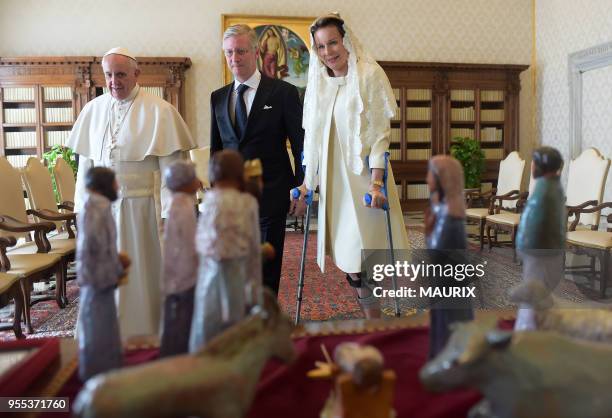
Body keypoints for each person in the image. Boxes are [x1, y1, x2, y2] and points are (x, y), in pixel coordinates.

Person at [68, 47, 197, 339]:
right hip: (102, 213)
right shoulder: (92, 110)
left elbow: (172, 173)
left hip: (143, 214)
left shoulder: (160, 111)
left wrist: (171, 216)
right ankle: (105, 335)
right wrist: (81, 208)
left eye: (121, 74)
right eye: (109, 75)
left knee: (142, 277)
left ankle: (148, 333)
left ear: (137, 74)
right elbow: (85, 168)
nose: (114, 81)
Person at [290, 14, 409, 318]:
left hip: (365, 182)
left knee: (365, 258)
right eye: (320, 47)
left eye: (332, 42)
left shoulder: (369, 75)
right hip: (335, 186)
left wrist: (377, 183)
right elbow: (312, 139)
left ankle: (375, 320)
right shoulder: (319, 83)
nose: (328, 52)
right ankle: (373, 316)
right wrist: (307, 182)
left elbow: (381, 135)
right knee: (350, 262)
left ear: (346, 41)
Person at [211, 25, 304, 295]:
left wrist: (300, 187)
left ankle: (265, 319)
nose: (234, 58)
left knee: (266, 266)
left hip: (271, 192)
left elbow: (300, 144)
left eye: (240, 51)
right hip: (231, 198)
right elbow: (217, 149)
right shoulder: (218, 97)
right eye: (229, 52)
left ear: (256, 51)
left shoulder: (283, 92)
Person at [189, 150, 262, 352]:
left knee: (209, 312)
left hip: (209, 268)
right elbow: (253, 242)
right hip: (237, 266)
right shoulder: (248, 202)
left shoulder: (209, 201)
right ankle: (236, 352)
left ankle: (206, 353)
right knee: (235, 311)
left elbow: (201, 241)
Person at [76, 167, 130, 380]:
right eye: (114, 182)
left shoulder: (101, 206)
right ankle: (98, 371)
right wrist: (115, 266)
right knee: (98, 325)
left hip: (102, 277)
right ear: (104, 186)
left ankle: (107, 367)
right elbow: (96, 248)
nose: (118, 186)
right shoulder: (95, 209)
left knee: (105, 323)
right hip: (97, 279)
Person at [424, 156, 474, 358]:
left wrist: (429, 230)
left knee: (450, 325)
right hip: (442, 284)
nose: (427, 179)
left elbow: (436, 252)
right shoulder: (441, 207)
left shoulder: (451, 218)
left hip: (450, 287)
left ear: (442, 178)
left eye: (430, 174)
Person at [514, 146, 566, 331]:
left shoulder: (546, 190)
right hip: (544, 249)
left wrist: (523, 246)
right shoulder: (551, 186)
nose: (532, 166)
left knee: (534, 293)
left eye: (534, 162)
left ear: (541, 165)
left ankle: (530, 330)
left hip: (539, 250)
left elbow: (534, 222)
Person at [159, 160, 200, 357]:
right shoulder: (182, 207)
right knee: (182, 315)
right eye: (194, 178)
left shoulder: (181, 203)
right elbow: (185, 243)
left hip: (178, 273)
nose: (199, 182)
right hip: (183, 275)